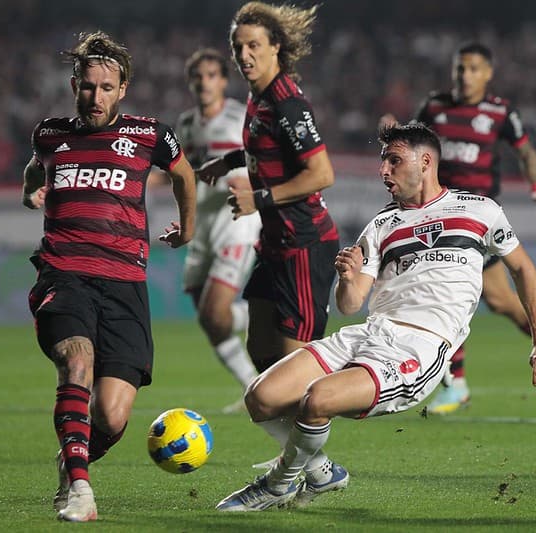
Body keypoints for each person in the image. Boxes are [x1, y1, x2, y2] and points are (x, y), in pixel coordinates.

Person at [214, 123, 536, 511]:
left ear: (425, 161)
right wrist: (348, 278)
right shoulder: (382, 225)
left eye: (394, 161)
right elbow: (350, 304)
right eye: (383, 161)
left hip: (420, 346)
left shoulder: (481, 210)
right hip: (369, 332)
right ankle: (322, 473)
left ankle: (277, 485)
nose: (384, 170)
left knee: (318, 399)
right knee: (260, 397)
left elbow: (522, 269)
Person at [23, 31, 196, 522]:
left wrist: (188, 229)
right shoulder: (50, 134)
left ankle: (71, 459)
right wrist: (29, 193)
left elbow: (184, 174)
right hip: (63, 274)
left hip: (124, 285)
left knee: (113, 416)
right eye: (87, 86)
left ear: (122, 89)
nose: (95, 97)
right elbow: (35, 170)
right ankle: (81, 490)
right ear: (74, 85)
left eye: (105, 88)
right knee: (77, 359)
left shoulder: (150, 135)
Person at [381, 42, 536, 413]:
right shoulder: (434, 106)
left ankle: (456, 383)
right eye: (460, 68)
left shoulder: (500, 112)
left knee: (448, 288)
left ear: (488, 74)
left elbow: (526, 151)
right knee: (498, 299)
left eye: (473, 69)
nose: (465, 75)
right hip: (441, 213)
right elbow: (411, 143)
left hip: (477, 218)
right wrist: (394, 132)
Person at [196, 2, 339, 380]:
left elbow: (322, 173)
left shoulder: (286, 103)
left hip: (304, 244)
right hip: (275, 242)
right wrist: (226, 163)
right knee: (261, 351)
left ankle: (345, 398)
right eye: (238, 47)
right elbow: (265, 147)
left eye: (253, 46)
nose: (244, 55)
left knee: (295, 374)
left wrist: (258, 199)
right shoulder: (257, 97)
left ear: (275, 46)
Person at [175, 48, 260, 413]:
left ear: (224, 81)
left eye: (211, 75)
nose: (204, 82)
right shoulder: (186, 124)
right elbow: (184, 173)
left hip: (235, 222)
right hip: (203, 224)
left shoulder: (240, 117)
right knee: (208, 316)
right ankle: (252, 386)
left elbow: (261, 161)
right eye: (198, 76)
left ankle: (264, 314)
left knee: (214, 313)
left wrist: (250, 183)